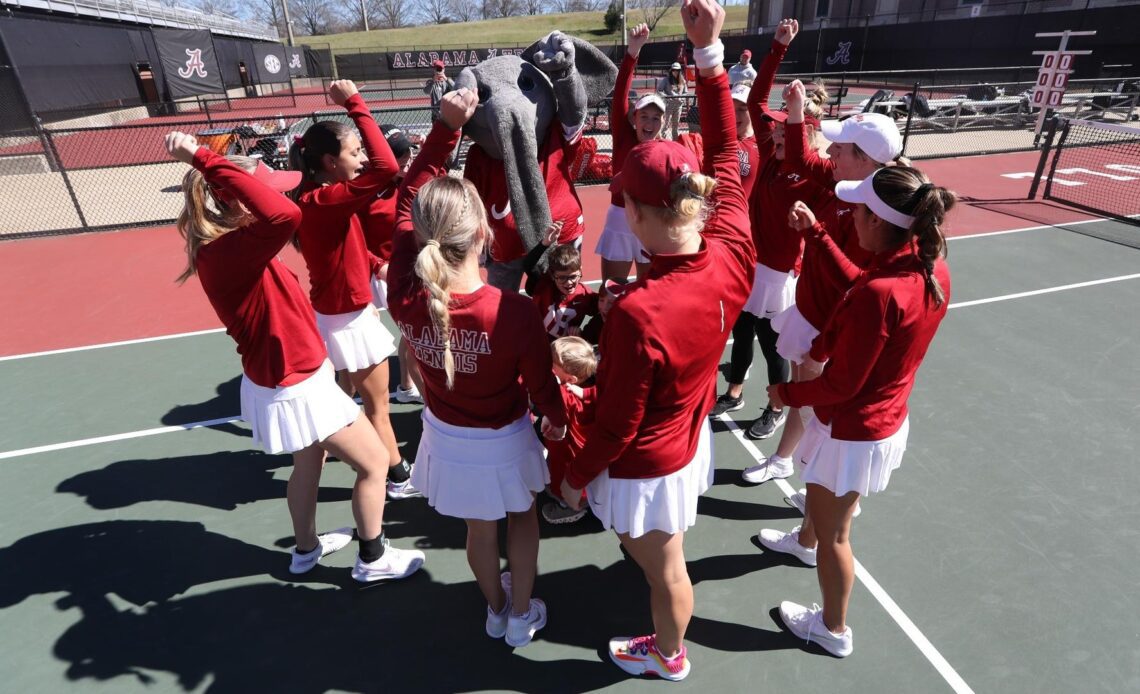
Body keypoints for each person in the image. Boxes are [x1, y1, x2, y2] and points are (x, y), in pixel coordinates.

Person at [559, 0, 754, 680]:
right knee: (662, 560)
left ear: (637, 214)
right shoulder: (731, 245)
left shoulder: (643, 312)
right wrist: (709, 53)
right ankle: (667, 642)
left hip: (649, 463)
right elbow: (727, 149)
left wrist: (574, 482)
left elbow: (614, 425)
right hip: (689, 435)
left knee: (664, 568)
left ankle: (669, 655)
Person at [164, 131, 424, 583]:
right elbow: (285, 213)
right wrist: (203, 157)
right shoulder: (232, 250)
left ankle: (305, 550)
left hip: (289, 376)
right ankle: (373, 557)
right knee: (375, 463)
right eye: (265, 188)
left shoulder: (232, 246)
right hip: (297, 382)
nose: (280, 192)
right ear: (237, 199)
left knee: (308, 462)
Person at [387, 88, 569, 647]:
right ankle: (520, 613)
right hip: (505, 438)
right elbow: (542, 388)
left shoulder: (402, 294)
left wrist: (445, 130)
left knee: (477, 530)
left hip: (447, 437)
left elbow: (405, 201)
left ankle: (494, 611)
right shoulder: (511, 311)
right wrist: (559, 420)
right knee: (522, 521)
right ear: (484, 234)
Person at [762, 166, 954, 657]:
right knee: (822, 503)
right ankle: (803, 543)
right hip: (878, 420)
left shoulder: (882, 291)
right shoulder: (925, 266)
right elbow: (859, 287)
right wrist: (821, 234)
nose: (852, 217)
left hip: (855, 428)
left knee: (837, 537)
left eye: (858, 211)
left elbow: (841, 383)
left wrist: (787, 395)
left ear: (875, 222)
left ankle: (832, 629)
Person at [289, 80, 418, 501]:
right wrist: (355, 104)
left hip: (335, 315)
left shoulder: (315, 199)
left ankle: (332, 467)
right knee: (377, 407)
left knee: (341, 404)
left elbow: (347, 244)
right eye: (353, 152)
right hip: (347, 320)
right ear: (329, 161)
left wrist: (375, 264)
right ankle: (398, 477)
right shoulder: (327, 200)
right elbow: (386, 166)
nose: (362, 159)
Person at [709, 20, 829, 451]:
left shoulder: (812, 173)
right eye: (776, 126)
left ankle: (776, 407)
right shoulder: (771, 153)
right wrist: (777, 49)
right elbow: (758, 100)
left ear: (807, 133)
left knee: (773, 345)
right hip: (749, 262)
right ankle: (735, 391)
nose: (775, 129)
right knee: (741, 333)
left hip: (779, 275)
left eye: (785, 127)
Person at [595, 23, 666, 285]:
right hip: (620, 219)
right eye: (644, 115)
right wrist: (632, 53)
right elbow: (620, 95)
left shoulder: (665, 150)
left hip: (651, 222)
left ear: (662, 122)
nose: (649, 122)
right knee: (613, 291)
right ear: (634, 119)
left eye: (656, 117)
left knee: (648, 291)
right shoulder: (624, 137)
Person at [359, 124, 424, 405]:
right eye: (399, 156)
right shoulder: (361, 191)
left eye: (407, 151)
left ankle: (407, 387)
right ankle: (433, 399)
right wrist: (378, 267)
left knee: (414, 332)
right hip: (378, 274)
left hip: (408, 267)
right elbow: (352, 244)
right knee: (417, 333)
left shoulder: (408, 179)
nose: (406, 159)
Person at [540, 336, 597, 525]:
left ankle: (570, 506)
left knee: (561, 476)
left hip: (566, 452)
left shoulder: (564, 395)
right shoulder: (586, 394)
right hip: (578, 450)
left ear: (570, 378)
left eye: (553, 363)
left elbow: (554, 408)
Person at [522, 221, 598, 341]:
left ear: (580, 271)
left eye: (572, 276)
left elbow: (605, 312)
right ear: (552, 275)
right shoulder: (543, 286)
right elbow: (528, 266)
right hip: (538, 345)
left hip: (566, 347)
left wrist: (584, 333)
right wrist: (544, 244)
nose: (568, 283)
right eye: (562, 278)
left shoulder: (584, 294)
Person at [658, 61, 688, 140]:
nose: (675, 71)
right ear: (671, 70)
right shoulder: (666, 80)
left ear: (679, 71)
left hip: (678, 106)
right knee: (666, 124)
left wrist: (682, 98)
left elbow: (685, 92)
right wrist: (667, 97)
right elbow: (659, 90)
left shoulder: (682, 81)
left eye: (677, 70)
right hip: (669, 106)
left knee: (676, 125)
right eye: (674, 70)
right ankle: (663, 140)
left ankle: (676, 141)